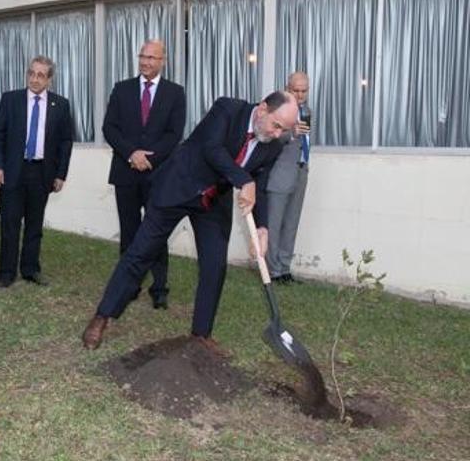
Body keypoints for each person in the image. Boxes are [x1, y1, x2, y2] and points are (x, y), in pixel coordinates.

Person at [82, 92, 299, 352]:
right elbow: (212, 148)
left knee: (214, 266)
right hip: (179, 186)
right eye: (276, 126)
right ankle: (102, 316)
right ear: (263, 109)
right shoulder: (228, 109)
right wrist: (244, 180)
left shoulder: (273, 145)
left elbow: (260, 186)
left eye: (283, 131)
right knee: (140, 253)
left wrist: (262, 227)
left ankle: (200, 335)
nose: (277, 135)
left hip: (213, 202)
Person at [103, 39, 186, 310]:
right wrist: (132, 154)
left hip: (158, 175)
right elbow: (109, 128)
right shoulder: (122, 89)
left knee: (156, 231)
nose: (146, 62)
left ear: (163, 61)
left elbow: (175, 134)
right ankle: (129, 285)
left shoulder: (175, 93)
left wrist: (149, 158)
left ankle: (159, 287)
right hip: (125, 172)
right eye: (143, 56)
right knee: (129, 233)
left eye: (152, 57)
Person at [0, 56, 74, 288]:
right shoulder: (10, 100)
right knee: (10, 223)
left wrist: (60, 174)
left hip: (42, 172)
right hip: (13, 171)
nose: (35, 79)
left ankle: (30, 269)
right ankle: (6, 273)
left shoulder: (61, 105)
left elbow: (66, 142)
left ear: (49, 79)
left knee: (35, 225)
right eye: (31, 73)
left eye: (41, 75)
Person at [266, 72, 312, 284]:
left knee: (292, 223)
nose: (300, 95)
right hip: (280, 174)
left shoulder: (308, 112)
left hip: (301, 171)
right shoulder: (276, 109)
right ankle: (273, 271)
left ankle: (284, 268)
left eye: (304, 91)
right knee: (274, 225)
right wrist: (291, 133)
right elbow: (266, 139)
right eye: (296, 90)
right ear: (287, 88)